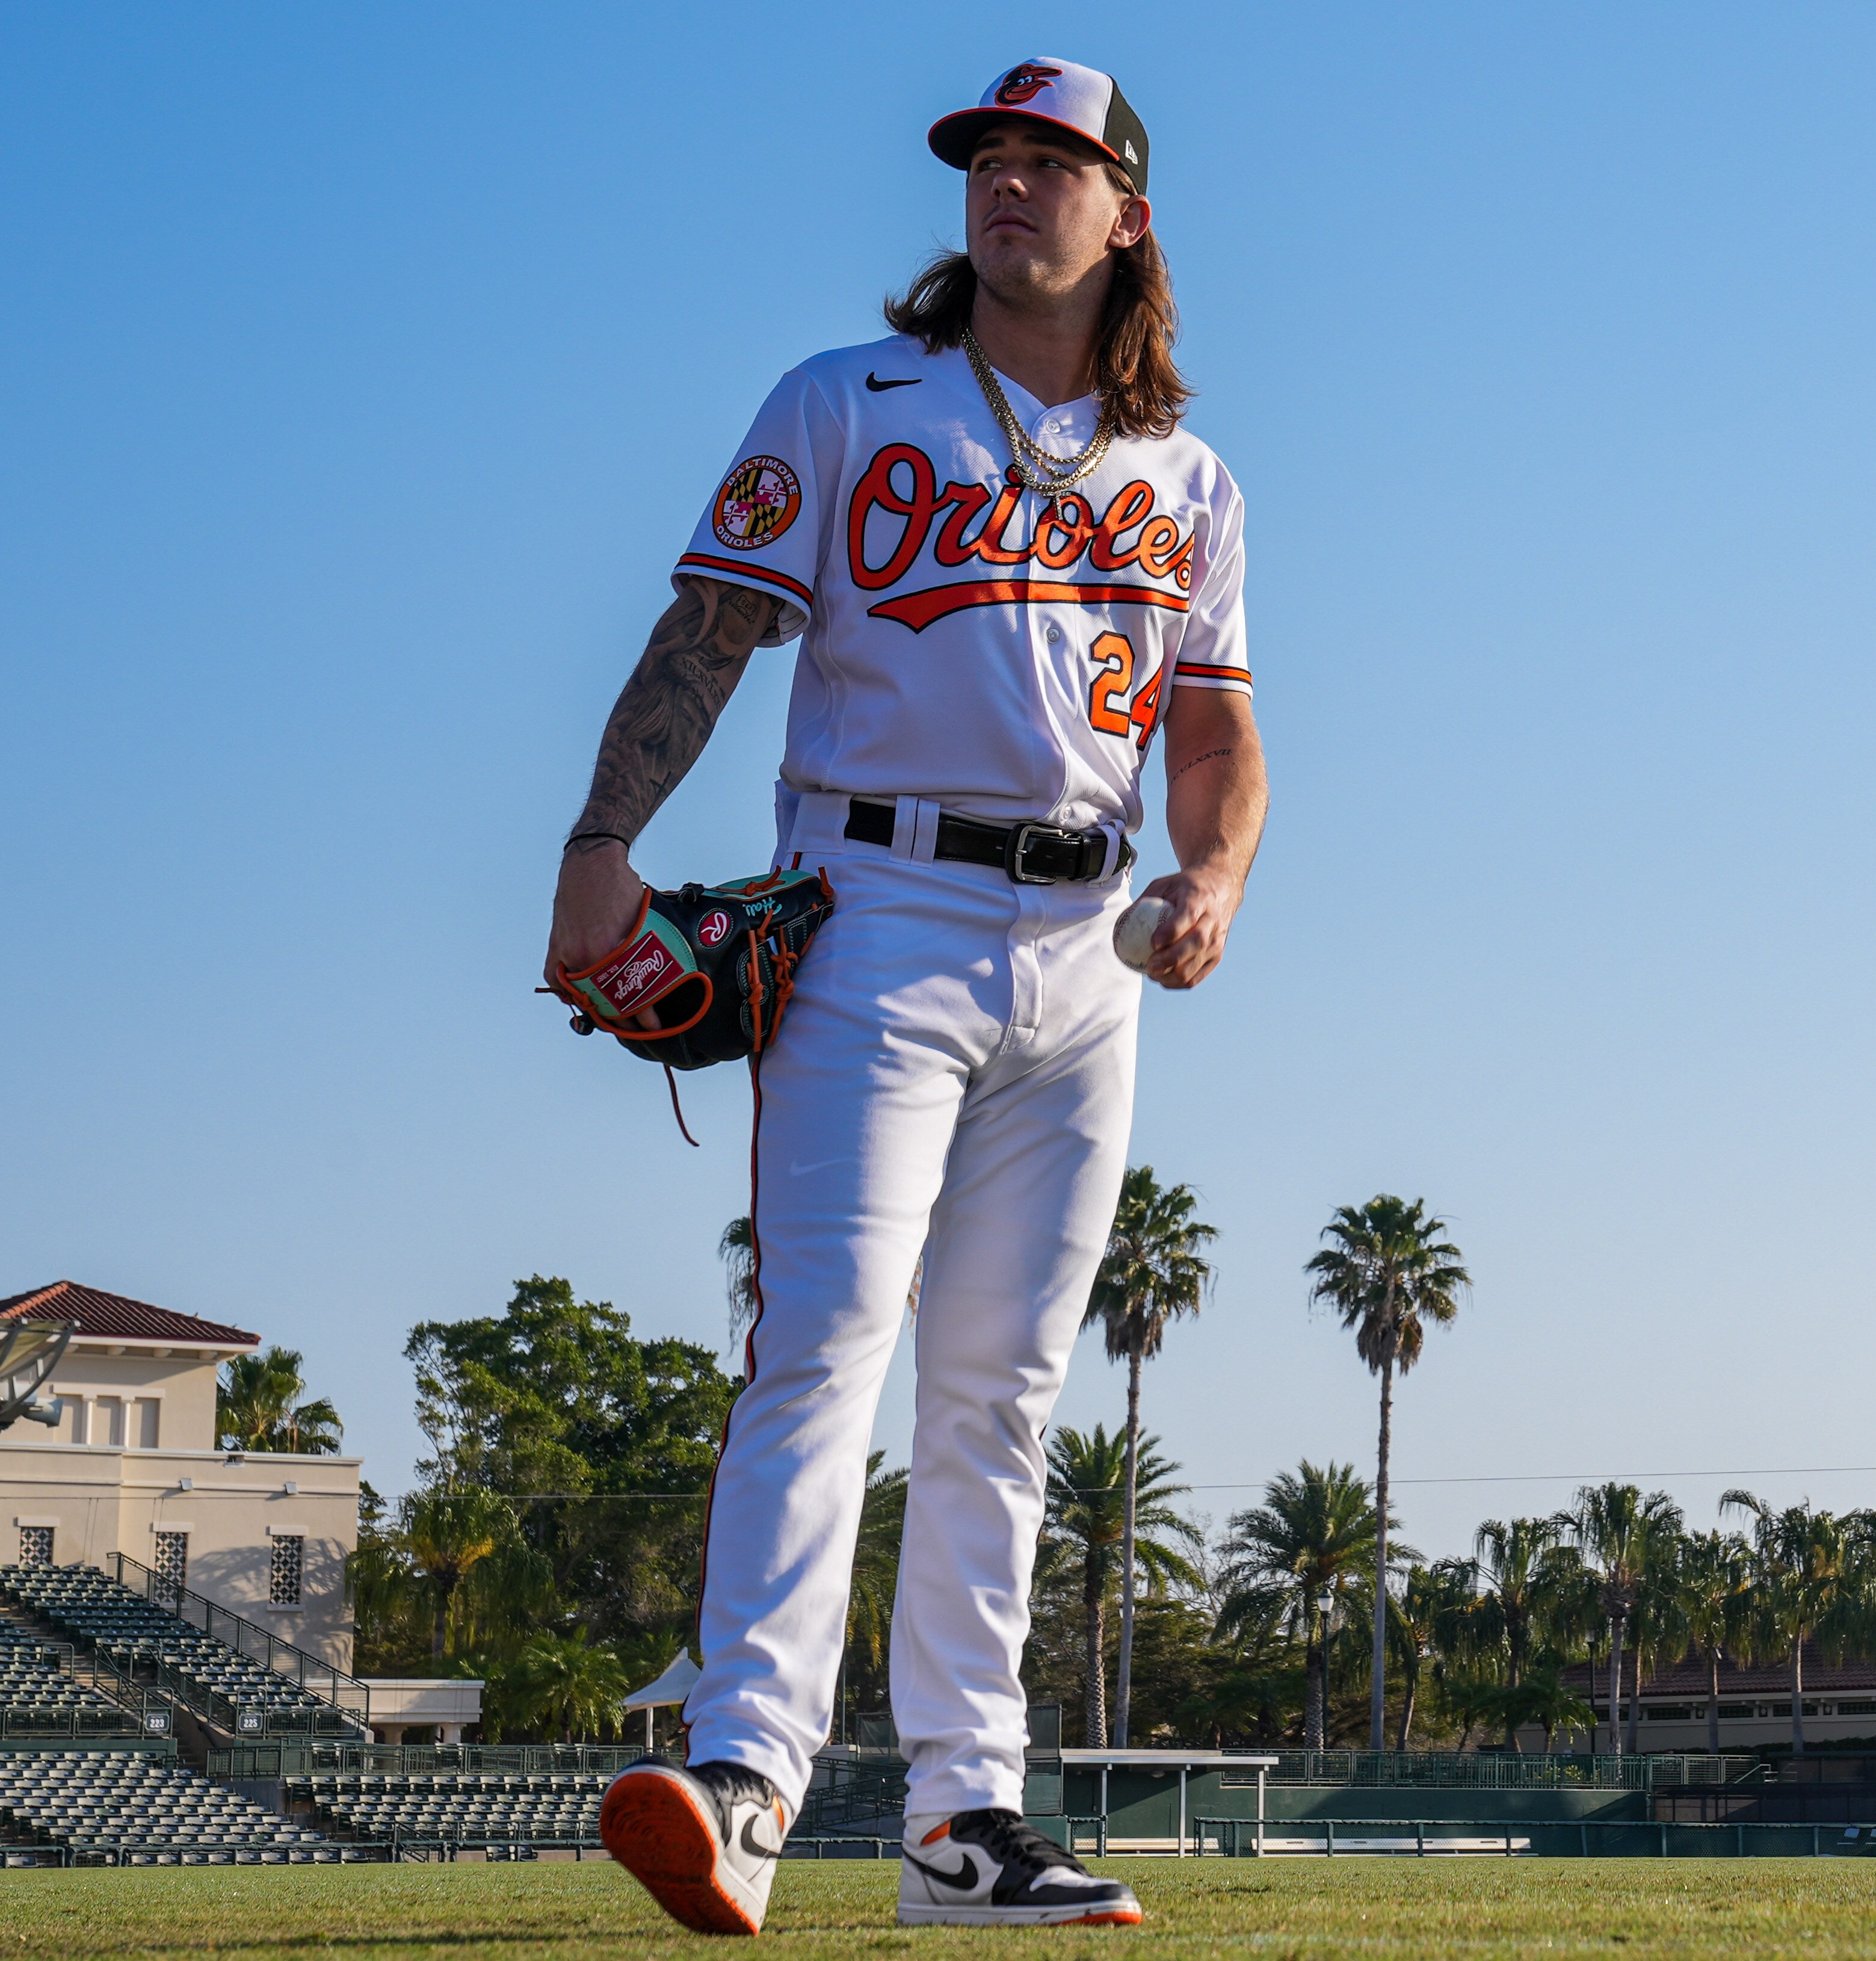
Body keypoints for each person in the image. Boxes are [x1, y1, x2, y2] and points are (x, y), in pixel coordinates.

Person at [548, 56, 1265, 1934]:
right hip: (871, 911)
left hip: (1085, 951)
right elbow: (709, 631)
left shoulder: (1187, 481)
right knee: (830, 1338)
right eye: (988, 161)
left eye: (1052, 162)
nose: (1009, 186)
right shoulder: (850, 402)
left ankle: (966, 1819)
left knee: (1003, 1390)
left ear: (1129, 215)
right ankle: (746, 1776)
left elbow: (1215, 726)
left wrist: (1220, 871)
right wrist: (602, 835)